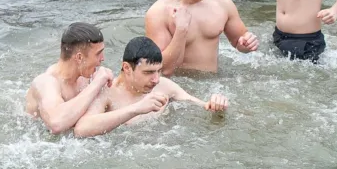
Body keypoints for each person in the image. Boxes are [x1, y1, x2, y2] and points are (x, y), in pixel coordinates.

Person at [74, 38, 228, 138]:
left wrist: (216, 105)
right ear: (127, 68)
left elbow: (200, 106)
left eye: (158, 71)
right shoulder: (107, 92)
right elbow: (81, 129)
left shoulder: (164, 86)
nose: (156, 79)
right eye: (148, 73)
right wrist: (137, 109)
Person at [25, 23, 114, 134]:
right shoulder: (46, 82)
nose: (103, 58)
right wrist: (97, 83)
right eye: (98, 54)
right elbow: (56, 124)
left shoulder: (85, 78)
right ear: (79, 57)